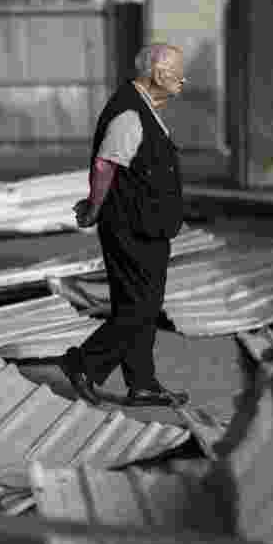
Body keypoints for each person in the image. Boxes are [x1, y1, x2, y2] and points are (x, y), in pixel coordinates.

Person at [59, 43, 190, 408]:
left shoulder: (143, 107)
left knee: (139, 306)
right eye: (178, 71)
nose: (183, 79)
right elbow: (106, 165)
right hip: (132, 225)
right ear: (159, 73)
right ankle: (83, 363)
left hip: (146, 224)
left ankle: (143, 383)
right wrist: (93, 207)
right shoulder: (130, 113)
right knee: (140, 308)